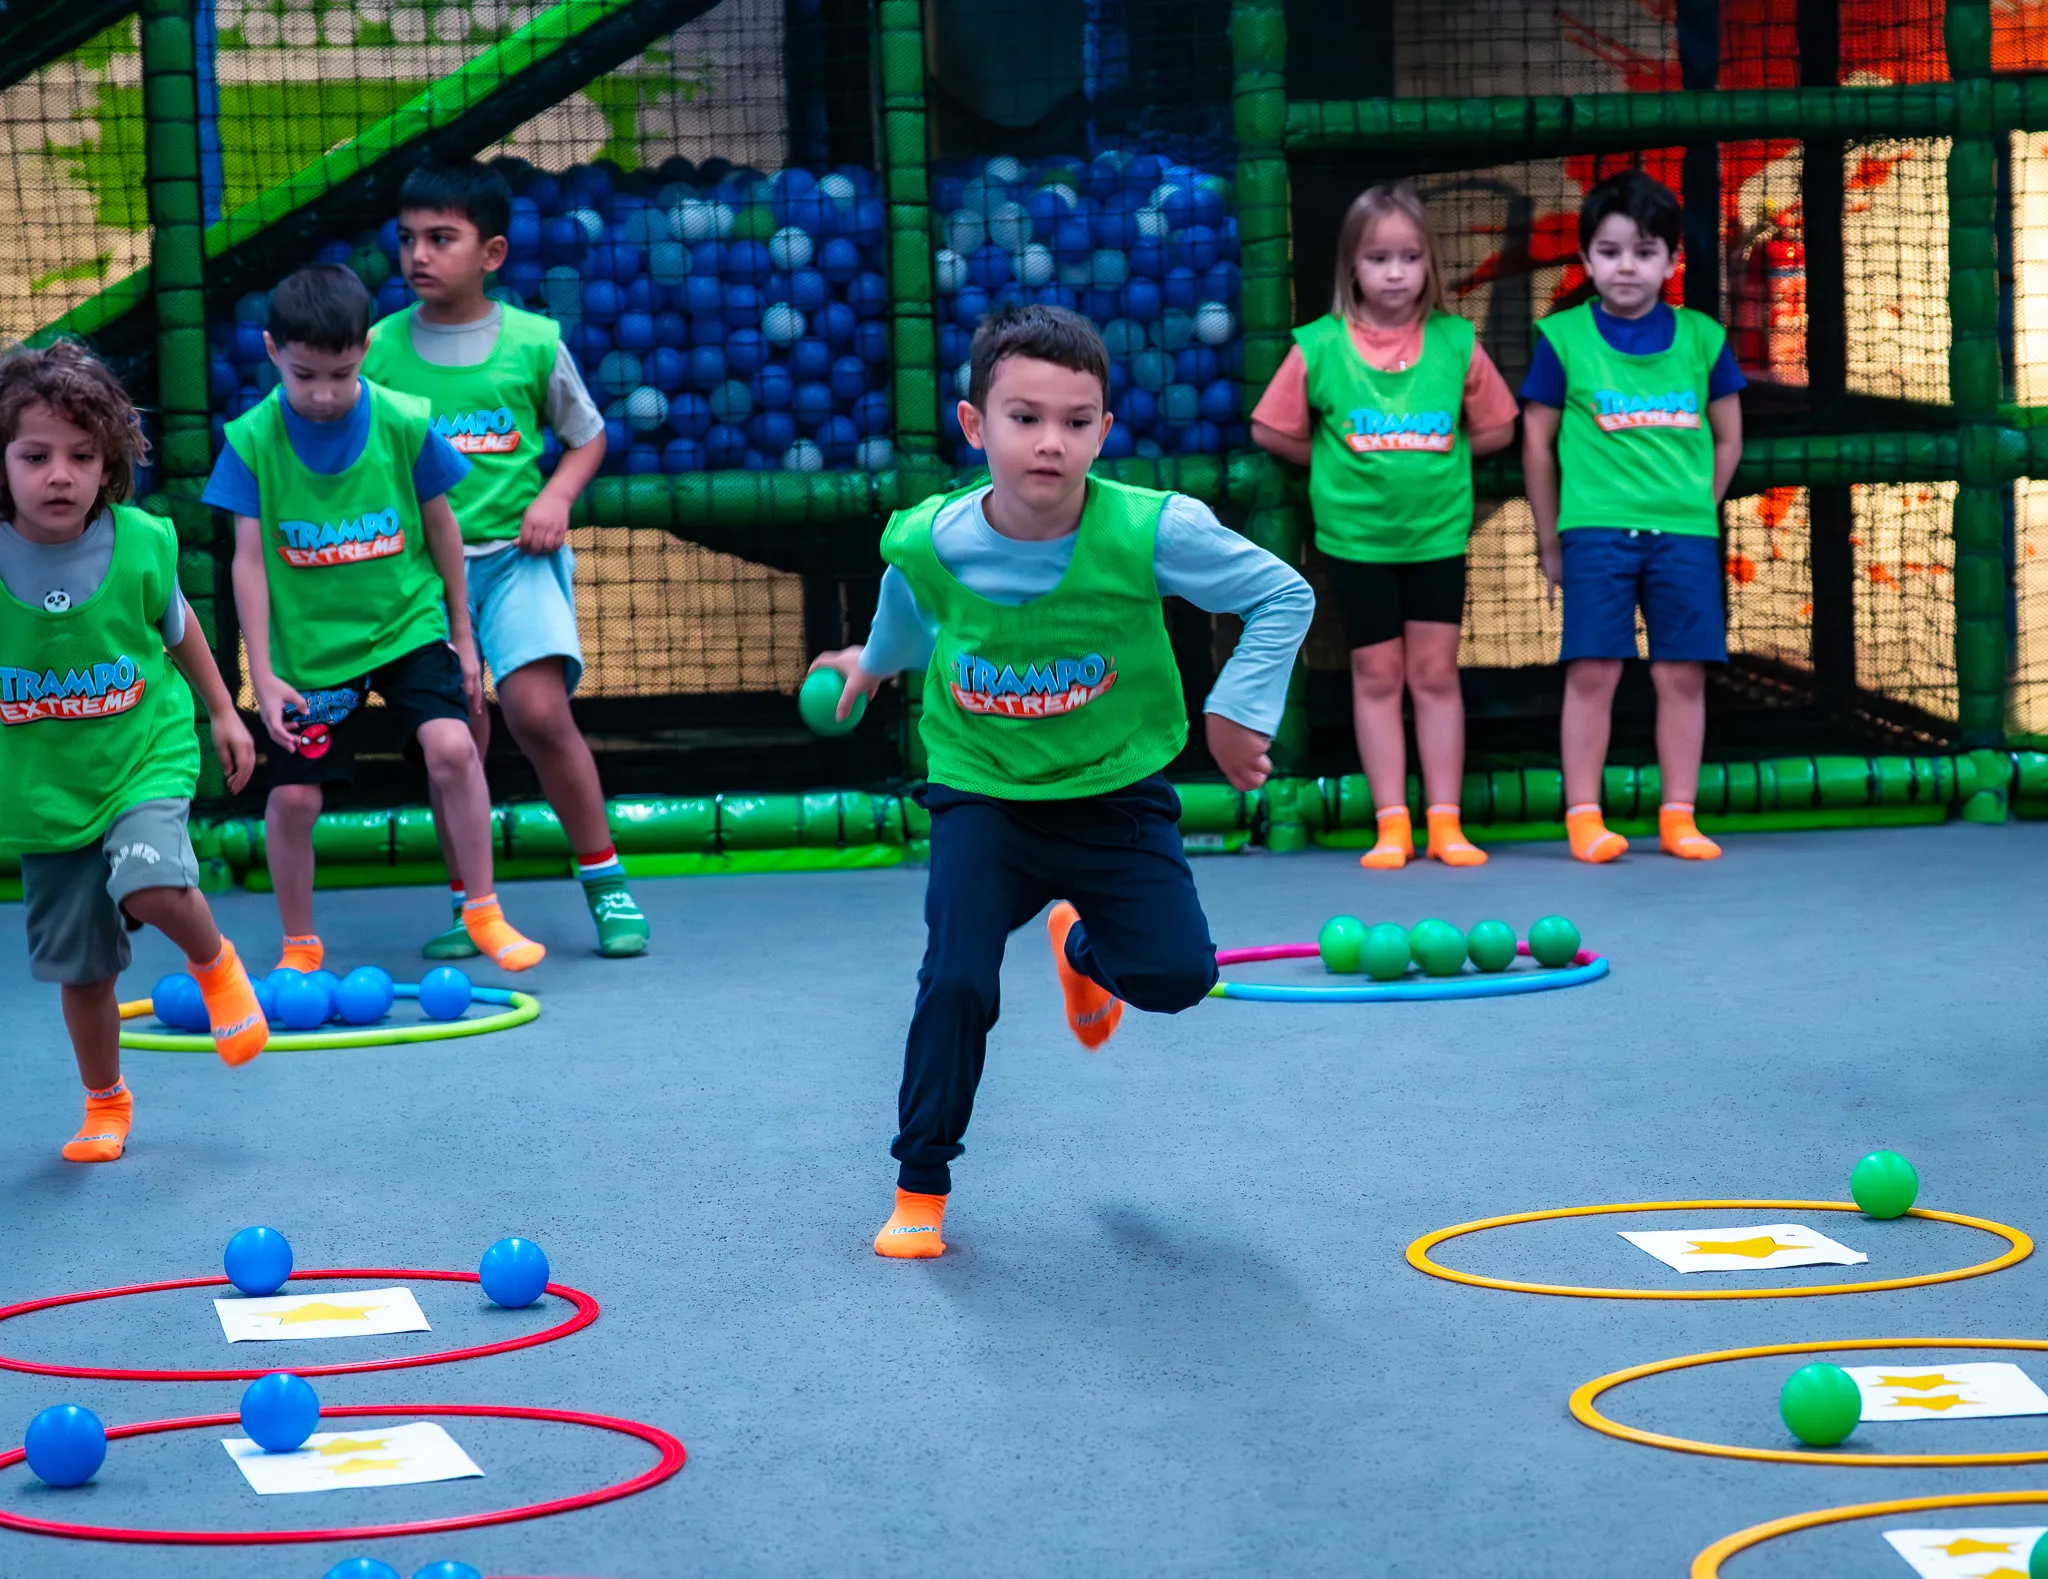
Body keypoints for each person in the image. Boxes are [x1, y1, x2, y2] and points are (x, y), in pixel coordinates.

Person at [810, 304, 1314, 1259]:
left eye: (1076, 422)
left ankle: (1081, 947)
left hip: (1113, 789)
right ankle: (921, 1184)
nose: (1050, 442)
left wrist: (1241, 707)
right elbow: (915, 607)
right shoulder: (927, 536)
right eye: (1024, 417)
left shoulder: (1153, 529)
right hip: (983, 791)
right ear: (975, 425)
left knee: (1177, 979)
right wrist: (872, 662)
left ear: (1104, 432)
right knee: (955, 977)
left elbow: (1282, 592)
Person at [206, 264, 545, 971]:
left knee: (453, 748)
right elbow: (248, 562)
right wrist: (260, 674)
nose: (324, 394)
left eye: (341, 372)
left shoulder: (401, 419)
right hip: (312, 651)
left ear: (365, 348)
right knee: (295, 800)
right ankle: (299, 943)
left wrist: (462, 634)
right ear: (272, 351)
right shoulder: (250, 441)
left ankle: (482, 910)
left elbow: (443, 530)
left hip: (406, 624)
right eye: (304, 376)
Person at [363, 160, 646, 960]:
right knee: (457, 734)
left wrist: (554, 498)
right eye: (409, 238)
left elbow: (587, 437)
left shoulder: (533, 341)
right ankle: (470, 905)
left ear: (490, 253)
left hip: (515, 563)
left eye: (440, 239)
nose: (418, 254)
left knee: (537, 712)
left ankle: (607, 881)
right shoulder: (378, 352)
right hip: (422, 578)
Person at [0, 341, 267, 1162]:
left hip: (143, 753)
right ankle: (105, 1100)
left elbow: (182, 635)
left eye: (82, 456)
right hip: (48, 790)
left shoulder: (143, 542)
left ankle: (214, 961)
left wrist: (225, 712)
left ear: (109, 460)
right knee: (83, 973)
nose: (59, 475)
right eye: (35, 455)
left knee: (148, 877)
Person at [1252, 182, 1518, 871]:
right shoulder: (1320, 345)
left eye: (1409, 257)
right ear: (1352, 269)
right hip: (1358, 539)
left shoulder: (1455, 342)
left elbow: (1499, 426)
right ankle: (1391, 821)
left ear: (1429, 263)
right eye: (1378, 259)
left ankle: (1446, 822)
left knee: (1433, 673)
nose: (1395, 273)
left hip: (1435, 536)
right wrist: (1334, 462)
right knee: (1376, 673)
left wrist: (1443, 451)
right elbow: (1269, 427)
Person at [1521, 168, 1745, 863]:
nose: (1627, 265)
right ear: (1586, 258)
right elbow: (1537, 439)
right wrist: (1550, 535)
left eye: (1645, 251)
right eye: (1611, 250)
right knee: (1594, 671)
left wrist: (1695, 507)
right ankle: (1584, 816)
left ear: (1672, 260)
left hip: (1684, 535)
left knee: (1682, 674)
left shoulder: (1703, 338)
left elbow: (1730, 434)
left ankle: (1678, 814)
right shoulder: (1561, 339)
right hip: (1595, 532)